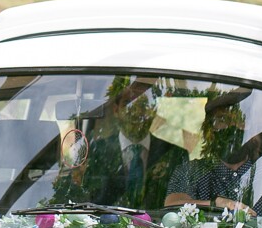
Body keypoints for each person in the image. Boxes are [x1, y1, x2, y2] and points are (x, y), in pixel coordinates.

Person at [166, 92, 262, 228]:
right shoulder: (191, 172)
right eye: (221, 120)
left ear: (253, 131)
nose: (231, 127)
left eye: (239, 120)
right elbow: (172, 205)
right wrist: (217, 204)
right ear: (208, 131)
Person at [53, 76, 188, 211]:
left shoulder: (174, 154)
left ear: (154, 110)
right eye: (128, 104)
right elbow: (84, 202)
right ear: (116, 110)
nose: (136, 112)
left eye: (144, 105)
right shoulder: (95, 152)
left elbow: (182, 208)